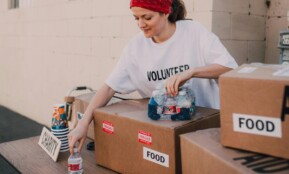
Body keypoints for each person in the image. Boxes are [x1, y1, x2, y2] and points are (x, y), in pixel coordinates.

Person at [68, 0, 238, 154]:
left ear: (166, 12)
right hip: (164, 135)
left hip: (205, 131)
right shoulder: (135, 48)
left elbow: (229, 68)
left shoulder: (194, 32)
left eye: (147, 17)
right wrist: (83, 124)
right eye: (136, 18)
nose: (141, 24)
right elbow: (109, 87)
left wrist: (192, 72)